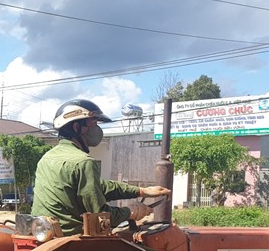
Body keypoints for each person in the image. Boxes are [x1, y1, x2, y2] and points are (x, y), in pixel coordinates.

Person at [32, 100, 171, 236]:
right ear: (76, 127)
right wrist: (131, 211)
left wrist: (140, 191)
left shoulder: (45, 159)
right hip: (72, 239)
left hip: (43, 233)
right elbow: (100, 216)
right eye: (93, 123)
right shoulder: (83, 162)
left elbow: (97, 187)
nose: (97, 129)